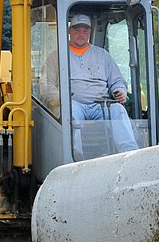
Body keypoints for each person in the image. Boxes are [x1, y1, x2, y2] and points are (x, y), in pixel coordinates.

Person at [40, 13, 139, 156]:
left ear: (90, 32)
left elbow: (117, 80)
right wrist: (62, 99)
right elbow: (46, 85)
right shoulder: (56, 56)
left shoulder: (102, 55)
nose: (81, 34)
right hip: (73, 103)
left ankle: (130, 154)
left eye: (85, 30)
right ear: (69, 31)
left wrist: (120, 90)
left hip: (100, 106)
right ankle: (75, 155)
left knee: (118, 110)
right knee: (70, 111)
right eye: (77, 29)